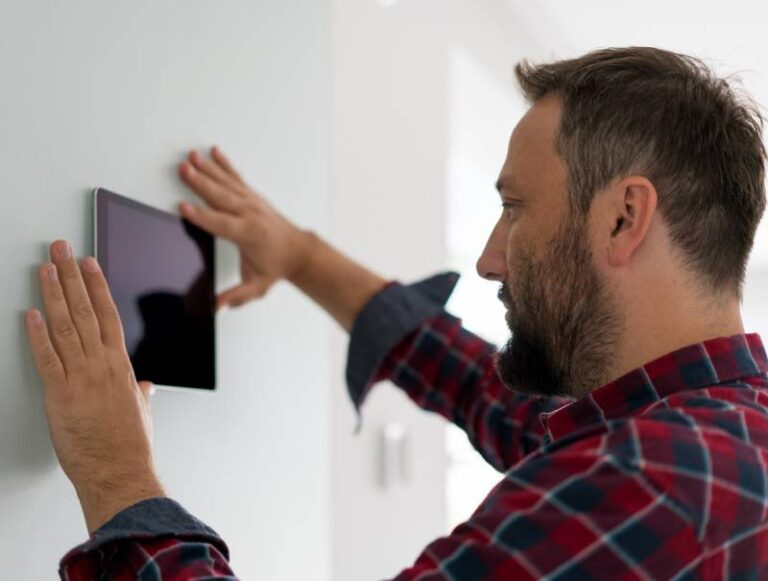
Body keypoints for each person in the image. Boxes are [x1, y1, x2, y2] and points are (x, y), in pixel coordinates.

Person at [24, 46, 768, 580]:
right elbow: (490, 394)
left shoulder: (649, 484)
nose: (488, 256)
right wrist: (302, 255)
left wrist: (116, 476)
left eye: (514, 207)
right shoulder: (722, 428)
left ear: (622, 218)